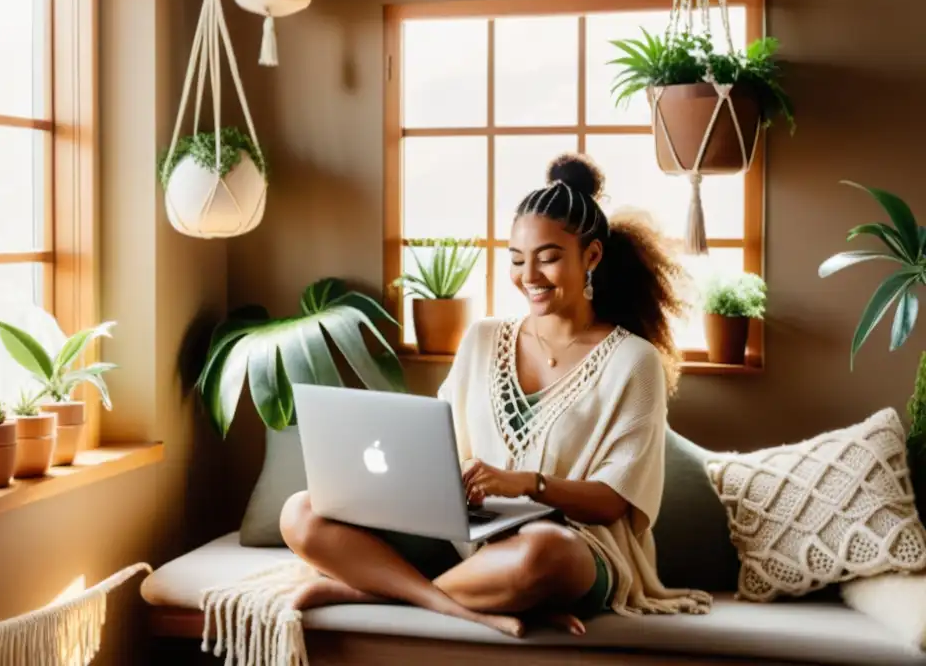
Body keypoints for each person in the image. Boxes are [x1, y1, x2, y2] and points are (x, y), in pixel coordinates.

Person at [279, 153, 712, 637]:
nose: (530, 276)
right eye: (517, 260)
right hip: (467, 537)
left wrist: (526, 483)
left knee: (545, 552)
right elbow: (437, 443)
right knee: (300, 512)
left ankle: (377, 591)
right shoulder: (482, 339)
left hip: (575, 543)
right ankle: (448, 602)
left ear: (591, 256)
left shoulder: (634, 361)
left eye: (548, 258)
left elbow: (613, 502)